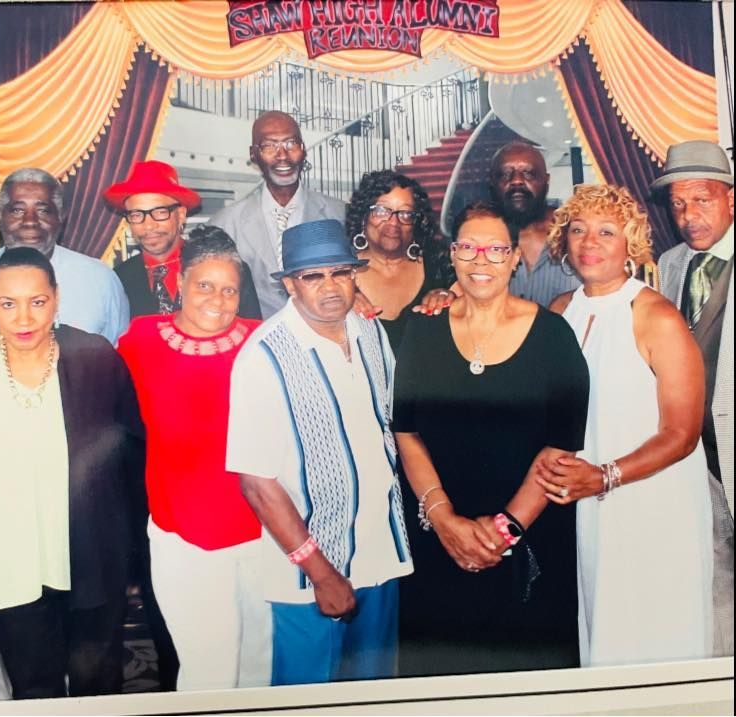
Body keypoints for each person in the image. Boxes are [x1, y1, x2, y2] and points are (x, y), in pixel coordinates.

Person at [392, 202, 589, 676]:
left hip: (530, 542)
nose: (482, 260)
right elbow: (407, 431)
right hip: (437, 541)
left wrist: (504, 532)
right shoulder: (422, 328)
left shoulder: (553, 335)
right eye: (469, 247)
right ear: (453, 254)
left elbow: (560, 447)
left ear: (516, 257)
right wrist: (444, 522)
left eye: (496, 249)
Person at [0, 247, 142, 699]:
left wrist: (132, 554)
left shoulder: (95, 356)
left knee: (99, 685)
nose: (23, 317)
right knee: (35, 688)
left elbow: (130, 455)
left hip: (89, 555)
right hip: (7, 563)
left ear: (56, 298)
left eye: (38, 301)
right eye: (7, 304)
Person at [226, 219, 412, 686]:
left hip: (381, 556)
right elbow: (257, 482)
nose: (330, 288)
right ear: (290, 284)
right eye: (313, 276)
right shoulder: (263, 357)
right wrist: (321, 572)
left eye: (340, 273)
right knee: (308, 699)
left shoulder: (370, 332)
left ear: (355, 276)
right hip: (311, 578)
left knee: (373, 694)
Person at [542, 183, 712, 666]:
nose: (589, 243)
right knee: (603, 631)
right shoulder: (559, 311)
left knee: (656, 633)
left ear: (631, 244)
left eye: (606, 232)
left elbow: (682, 433)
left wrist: (605, 476)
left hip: (653, 500)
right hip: (586, 501)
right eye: (578, 230)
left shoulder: (654, 314)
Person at [117, 225, 270, 691]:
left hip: (262, 532)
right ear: (179, 283)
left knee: (260, 665)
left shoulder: (263, 339)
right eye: (205, 285)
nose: (218, 299)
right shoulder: (140, 340)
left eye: (230, 290)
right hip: (184, 536)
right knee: (210, 671)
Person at [652, 139, 734, 657]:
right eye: (679, 204)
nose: (688, 215)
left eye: (702, 199)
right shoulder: (671, 263)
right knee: (715, 589)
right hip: (699, 462)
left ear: (731, 199)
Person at [0, 168, 129, 345]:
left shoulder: (99, 279)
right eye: (17, 210)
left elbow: (115, 357)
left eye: (43, 210)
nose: (30, 221)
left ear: (61, 217)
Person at [211, 111, 345, 317]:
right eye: (269, 146)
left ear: (303, 149)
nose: (282, 155)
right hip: (255, 339)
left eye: (291, 143)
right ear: (253, 154)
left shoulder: (340, 215)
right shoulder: (225, 224)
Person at [108, 161, 261, 320]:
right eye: (136, 215)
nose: (149, 226)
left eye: (160, 212)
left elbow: (251, 333)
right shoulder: (120, 279)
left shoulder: (226, 268)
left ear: (180, 215)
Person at [346, 169, 454, 349]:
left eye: (405, 214)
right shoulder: (339, 275)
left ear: (416, 223)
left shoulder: (440, 268)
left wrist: (452, 298)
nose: (393, 222)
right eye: (381, 211)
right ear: (363, 217)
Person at [489, 141, 581, 307]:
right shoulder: (480, 241)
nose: (516, 181)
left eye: (529, 173)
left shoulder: (576, 232)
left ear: (546, 181)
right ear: (492, 183)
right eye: (505, 174)